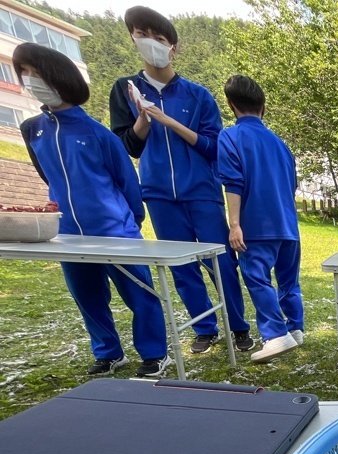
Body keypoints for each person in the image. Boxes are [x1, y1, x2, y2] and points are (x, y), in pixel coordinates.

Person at [15, 43, 171, 379]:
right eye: (24, 73)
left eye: (36, 73)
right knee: (88, 296)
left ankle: (155, 352)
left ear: (59, 78)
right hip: (68, 233)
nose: (30, 80)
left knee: (139, 294)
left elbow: (127, 182)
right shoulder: (33, 130)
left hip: (116, 231)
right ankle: (107, 352)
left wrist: (129, 221)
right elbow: (47, 175)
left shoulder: (98, 134)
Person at [109, 6, 254, 355]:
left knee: (220, 261)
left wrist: (169, 122)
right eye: (143, 35)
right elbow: (127, 145)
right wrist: (143, 119)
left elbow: (212, 146)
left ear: (174, 47)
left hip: (201, 191)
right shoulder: (125, 91)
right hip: (158, 193)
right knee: (181, 265)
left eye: (160, 39)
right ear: (133, 39)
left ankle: (238, 326)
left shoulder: (197, 95)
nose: (152, 44)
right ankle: (205, 327)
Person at [217, 75, 303, 364]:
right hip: (288, 224)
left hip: (257, 224)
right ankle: (296, 327)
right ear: (263, 107)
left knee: (257, 277)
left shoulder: (230, 137)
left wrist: (235, 224)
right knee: (289, 281)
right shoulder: (281, 144)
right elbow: (292, 184)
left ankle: (276, 334)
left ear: (231, 105)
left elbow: (234, 183)